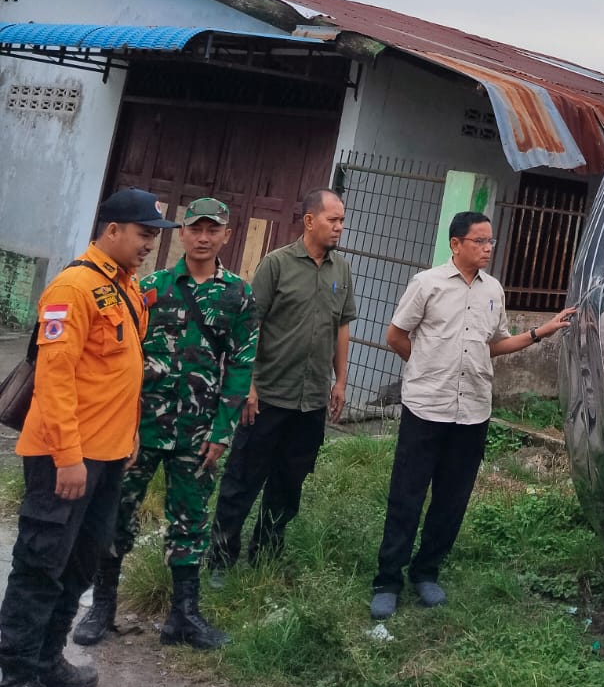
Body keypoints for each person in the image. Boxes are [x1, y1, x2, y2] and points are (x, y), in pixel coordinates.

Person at [0, 189, 173, 687]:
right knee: (39, 564)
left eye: (153, 237)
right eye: (144, 234)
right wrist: (68, 457)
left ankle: (47, 659)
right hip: (64, 458)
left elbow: (114, 374)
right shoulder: (73, 287)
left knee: (79, 561)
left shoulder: (120, 287)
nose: (150, 245)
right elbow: (55, 381)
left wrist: (127, 439)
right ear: (113, 229)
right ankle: (12, 680)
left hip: (107, 455)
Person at [368, 211, 575, 616]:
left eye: (490, 241)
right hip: (427, 408)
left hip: (472, 412)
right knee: (406, 496)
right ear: (456, 244)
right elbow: (396, 335)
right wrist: (425, 368)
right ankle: (387, 579)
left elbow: (493, 344)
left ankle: (427, 573)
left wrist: (541, 331)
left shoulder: (493, 290)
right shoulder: (426, 284)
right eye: (479, 241)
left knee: (452, 499)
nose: (488, 248)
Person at [74, 198, 257, 652]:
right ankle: (103, 607)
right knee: (116, 514)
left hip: (198, 432)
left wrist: (223, 430)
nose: (202, 237)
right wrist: (125, 422)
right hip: (142, 427)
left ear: (227, 236)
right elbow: (126, 357)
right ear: (181, 234)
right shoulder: (149, 288)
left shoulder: (239, 295)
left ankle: (184, 616)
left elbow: (241, 365)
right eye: (194, 228)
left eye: (212, 230)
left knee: (191, 520)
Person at [207, 189, 355, 580]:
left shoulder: (341, 269)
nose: (340, 227)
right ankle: (221, 558)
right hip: (269, 395)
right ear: (309, 221)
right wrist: (249, 385)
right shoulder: (277, 265)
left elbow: (342, 327)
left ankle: (266, 553)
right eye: (333, 220)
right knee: (243, 479)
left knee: (289, 484)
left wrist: (340, 381)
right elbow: (250, 327)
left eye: (342, 220)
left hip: (310, 402)